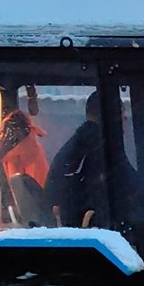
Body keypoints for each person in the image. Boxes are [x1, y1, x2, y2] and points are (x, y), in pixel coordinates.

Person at [45, 91, 109, 227]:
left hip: (71, 217)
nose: (125, 119)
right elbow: (126, 183)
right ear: (110, 113)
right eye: (122, 111)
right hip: (83, 220)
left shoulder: (80, 141)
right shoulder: (98, 144)